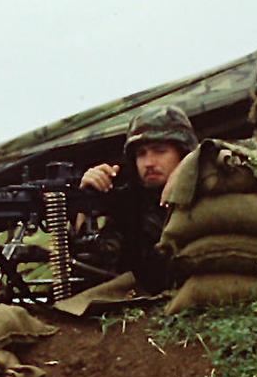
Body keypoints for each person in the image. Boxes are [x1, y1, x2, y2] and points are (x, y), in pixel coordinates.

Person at [78, 104, 199, 295]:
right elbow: (97, 266)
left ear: (184, 153)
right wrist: (86, 203)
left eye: (160, 150)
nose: (149, 162)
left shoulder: (208, 195)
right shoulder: (131, 205)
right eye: (141, 154)